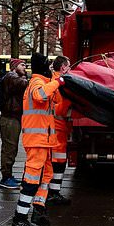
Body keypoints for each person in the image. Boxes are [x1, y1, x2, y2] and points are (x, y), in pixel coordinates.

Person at [12, 53, 64, 226]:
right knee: (32, 179)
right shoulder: (36, 83)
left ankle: (38, 211)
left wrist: (57, 82)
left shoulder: (42, 81)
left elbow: (54, 103)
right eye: (48, 65)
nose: (50, 68)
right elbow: (40, 96)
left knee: (45, 176)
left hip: (44, 141)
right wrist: (58, 82)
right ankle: (20, 219)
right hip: (37, 141)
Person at [0, 58, 28, 189]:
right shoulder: (12, 76)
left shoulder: (14, 77)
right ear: (14, 66)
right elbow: (24, 84)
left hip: (13, 118)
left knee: (12, 148)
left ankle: (8, 175)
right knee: (9, 148)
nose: (25, 67)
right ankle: (5, 178)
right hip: (9, 118)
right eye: (22, 65)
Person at [47, 56, 72, 205]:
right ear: (63, 67)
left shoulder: (55, 82)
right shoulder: (59, 84)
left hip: (58, 129)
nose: (70, 69)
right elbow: (58, 109)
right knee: (58, 162)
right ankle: (53, 193)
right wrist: (69, 101)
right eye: (68, 66)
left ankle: (53, 192)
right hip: (57, 129)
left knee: (58, 161)